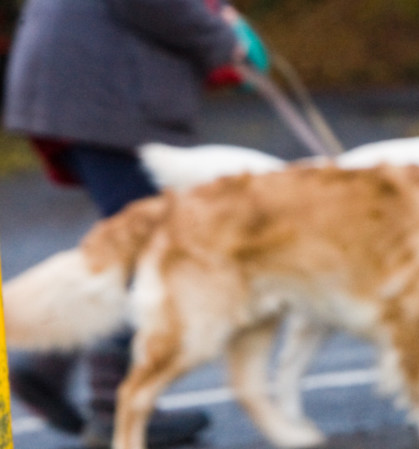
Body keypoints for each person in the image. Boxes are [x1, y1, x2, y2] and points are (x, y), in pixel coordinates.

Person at [2, 0, 268, 446]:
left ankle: (54, 368)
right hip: (101, 92)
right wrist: (223, 40)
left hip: (83, 85)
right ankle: (108, 401)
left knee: (138, 240)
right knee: (153, 246)